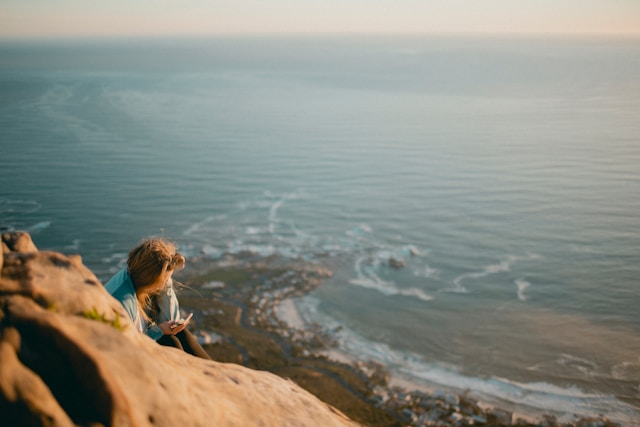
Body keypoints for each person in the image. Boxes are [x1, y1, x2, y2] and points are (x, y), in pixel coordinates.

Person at [105, 237, 211, 359]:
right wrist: (159, 330)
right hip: (124, 356)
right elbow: (125, 347)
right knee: (170, 342)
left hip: (140, 343)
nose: (164, 285)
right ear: (151, 279)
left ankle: (215, 374)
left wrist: (166, 284)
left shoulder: (139, 279)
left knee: (181, 333)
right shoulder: (122, 302)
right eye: (164, 281)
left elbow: (170, 319)